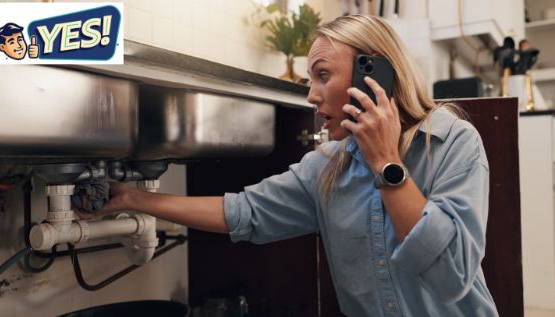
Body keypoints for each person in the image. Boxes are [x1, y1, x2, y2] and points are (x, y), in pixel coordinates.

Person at [88, 15, 498, 317]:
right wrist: (132, 197)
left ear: (376, 76)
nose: (312, 96)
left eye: (322, 76)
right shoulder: (326, 167)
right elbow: (241, 212)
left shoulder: (455, 144)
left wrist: (386, 163)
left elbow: (451, 276)